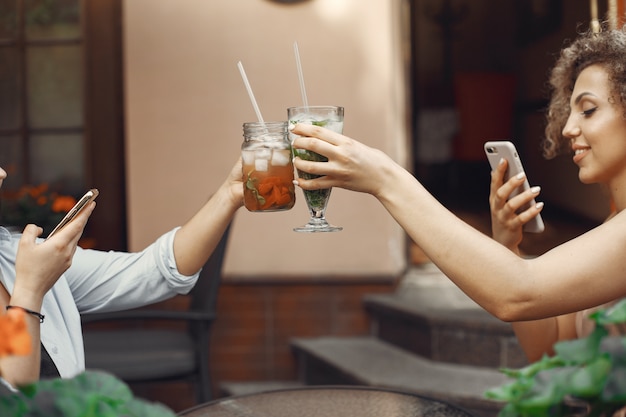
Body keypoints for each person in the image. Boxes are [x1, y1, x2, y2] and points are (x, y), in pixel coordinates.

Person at [289, 23, 626, 363]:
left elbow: (517, 293)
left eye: (588, 109)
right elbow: (551, 349)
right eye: (569, 112)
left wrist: (387, 179)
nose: (568, 128)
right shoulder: (614, 224)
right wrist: (508, 247)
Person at [0, 159, 243, 388]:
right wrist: (30, 290)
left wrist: (228, 195)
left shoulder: (14, 256)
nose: (2, 173)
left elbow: (156, 272)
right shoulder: (30, 271)